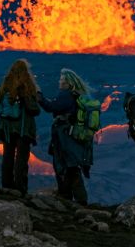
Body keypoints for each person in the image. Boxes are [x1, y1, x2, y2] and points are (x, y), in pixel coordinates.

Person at [37, 68, 94, 206]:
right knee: (71, 166)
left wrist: (40, 98)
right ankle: (75, 198)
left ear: (68, 83)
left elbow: (52, 107)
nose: (59, 82)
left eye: (62, 80)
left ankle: (71, 198)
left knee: (66, 166)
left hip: (65, 137)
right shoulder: (78, 96)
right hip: (74, 137)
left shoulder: (66, 95)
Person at [0, 59, 41, 195]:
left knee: (7, 156)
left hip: (6, 128)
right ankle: (20, 188)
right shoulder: (27, 87)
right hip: (23, 129)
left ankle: (6, 185)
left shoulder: (4, 86)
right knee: (21, 158)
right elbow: (34, 110)